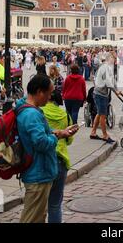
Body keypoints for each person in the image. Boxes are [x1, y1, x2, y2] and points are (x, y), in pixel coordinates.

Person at [16, 75, 78, 223]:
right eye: (49, 93)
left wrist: (59, 132)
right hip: (38, 173)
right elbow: (41, 143)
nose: (50, 97)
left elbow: (40, 134)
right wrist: (56, 137)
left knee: (38, 216)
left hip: (38, 171)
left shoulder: (26, 107)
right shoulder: (32, 114)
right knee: (32, 218)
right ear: (39, 92)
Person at [41, 90, 74, 223]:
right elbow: (69, 140)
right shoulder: (65, 114)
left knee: (38, 204)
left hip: (42, 160)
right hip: (60, 160)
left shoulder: (39, 111)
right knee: (55, 205)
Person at [90, 54, 121, 143]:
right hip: (100, 94)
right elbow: (108, 82)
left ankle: (93, 132)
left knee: (99, 114)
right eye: (114, 59)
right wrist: (115, 91)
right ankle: (105, 135)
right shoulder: (105, 67)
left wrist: (118, 90)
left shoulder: (109, 68)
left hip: (102, 94)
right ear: (109, 58)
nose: (115, 61)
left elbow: (113, 80)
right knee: (103, 115)